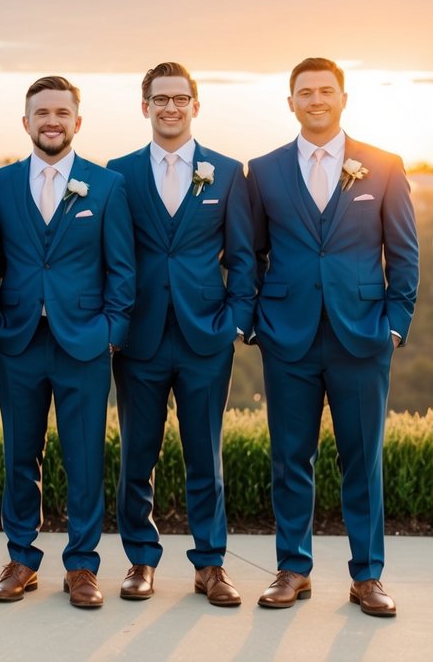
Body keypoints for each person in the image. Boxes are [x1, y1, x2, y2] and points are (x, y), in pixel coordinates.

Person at [247, 57, 418, 617]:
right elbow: (249, 253)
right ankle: (292, 570)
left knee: (361, 459)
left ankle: (367, 576)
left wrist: (393, 325)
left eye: (325, 90)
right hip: (287, 337)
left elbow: (404, 253)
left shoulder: (384, 165)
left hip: (362, 336)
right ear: (289, 101)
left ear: (343, 97)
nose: (315, 99)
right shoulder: (265, 170)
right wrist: (255, 322)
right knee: (291, 459)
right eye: (304, 91)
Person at [106, 62, 253, 606]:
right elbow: (111, 253)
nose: (170, 107)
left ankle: (210, 564)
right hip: (139, 338)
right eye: (160, 98)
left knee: (204, 457)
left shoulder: (228, 172)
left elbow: (242, 256)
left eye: (180, 98)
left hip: (205, 335)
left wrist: (235, 321)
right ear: (145, 107)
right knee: (136, 457)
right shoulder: (117, 174)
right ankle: (140, 561)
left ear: (196, 104)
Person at [0, 75, 134, 608]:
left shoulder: (107, 185)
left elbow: (122, 269)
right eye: (41, 112)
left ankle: (82, 566)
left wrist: (111, 336)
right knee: (20, 455)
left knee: (84, 458)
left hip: (85, 344)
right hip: (19, 341)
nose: (52, 121)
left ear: (77, 121)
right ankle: (22, 559)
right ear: (26, 122)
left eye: (61, 112)